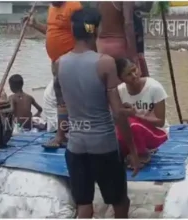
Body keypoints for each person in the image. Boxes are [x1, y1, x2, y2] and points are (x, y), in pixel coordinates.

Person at [54, 8, 140, 218]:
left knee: (84, 203)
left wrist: (60, 133)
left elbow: (62, 105)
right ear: (96, 31)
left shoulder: (59, 64)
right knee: (120, 200)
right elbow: (118, 113)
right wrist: (133, 151)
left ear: (74, 32)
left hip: (75, 146)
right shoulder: (105, 63)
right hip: (103, 145)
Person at [23, 1, 83, 146]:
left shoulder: (74, 7)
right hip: (56, 63)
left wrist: (74, 58)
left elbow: (85, 34)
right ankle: (65, 134)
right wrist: (34, 24)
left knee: (71, 101)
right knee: (62, 101)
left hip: (71, 62)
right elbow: (52, 31)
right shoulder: (52, 8)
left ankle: (66, 136)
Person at [115, 58, 168, 167]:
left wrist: (136, 115)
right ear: (121, 78)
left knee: (132, 124)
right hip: (132, 134)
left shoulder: (154, 88)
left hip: (157, 134)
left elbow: (160, 122)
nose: (134, 75)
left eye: (135, 70)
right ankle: (131, 152)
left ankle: (142, 155)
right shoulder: (119, 91)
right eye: (129, 74)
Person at [96, 2, 150, 77]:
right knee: (135, 82)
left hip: (101, 46)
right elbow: (128, 24)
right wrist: (133, 54)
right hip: (119, 45)